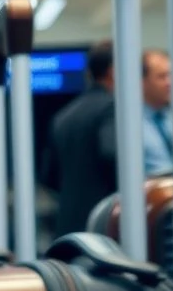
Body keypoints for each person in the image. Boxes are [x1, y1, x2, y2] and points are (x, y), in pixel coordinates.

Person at [41, 40, 117, 236]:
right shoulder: (111, 107)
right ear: (113, 71)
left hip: (68, 222)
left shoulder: (64, 115)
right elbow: (111, 154)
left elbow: (48, 175)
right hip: (104, 224)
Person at [142, 48, 173, 175]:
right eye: (162, 77)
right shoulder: (128, 123)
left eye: (170, 75)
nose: (169, 82)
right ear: (143, 82)